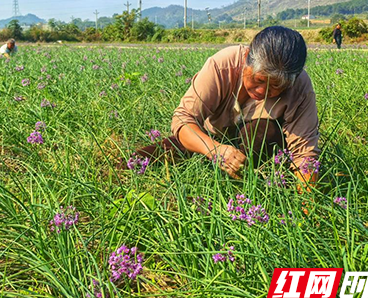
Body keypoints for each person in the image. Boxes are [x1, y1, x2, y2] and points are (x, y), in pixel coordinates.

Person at [134, 26, 320, 186]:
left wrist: (306, 208)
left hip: (258, 147)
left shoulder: (300, 87)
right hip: (212, 138)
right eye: (258, 80)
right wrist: (215, 150)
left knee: (263, 134)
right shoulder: (223, 65)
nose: (262, 91)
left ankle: (242, 185)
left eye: (275, 87)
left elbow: (305, 155)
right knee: (141, 159)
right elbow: (183, 118)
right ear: (247, 56)